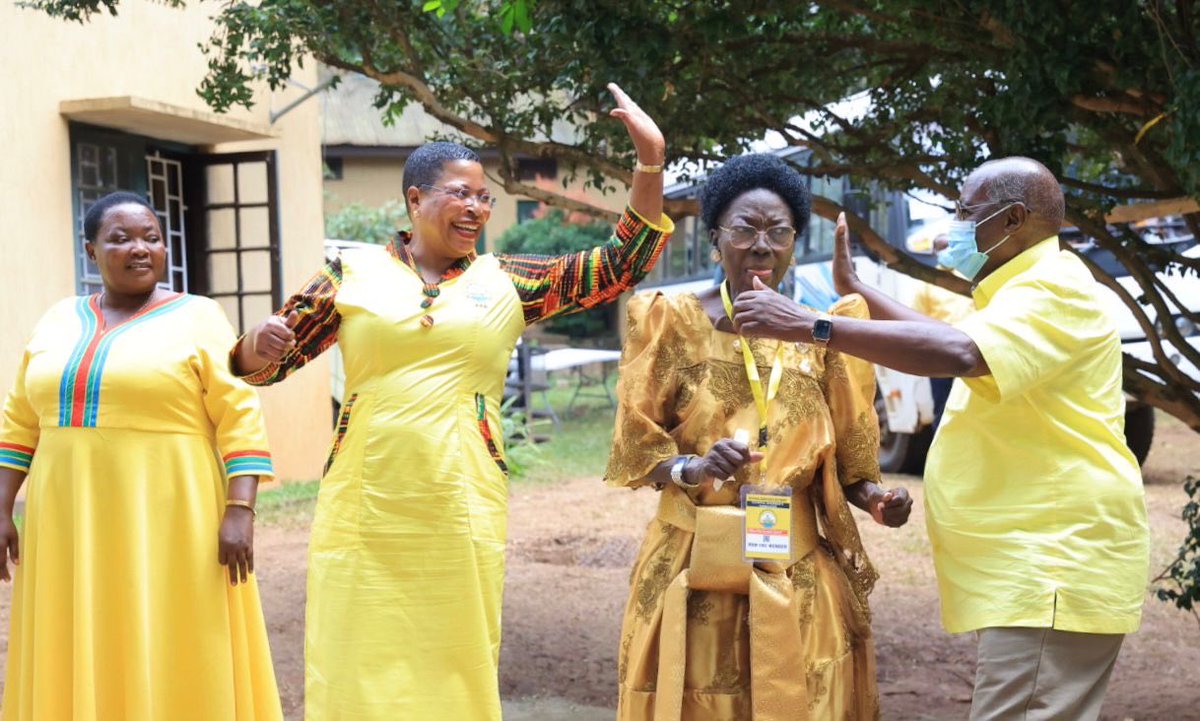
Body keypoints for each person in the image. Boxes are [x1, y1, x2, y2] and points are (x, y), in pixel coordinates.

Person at [231, 84, 673, 721]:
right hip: (365, 502)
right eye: (459, 193)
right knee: (354, 649)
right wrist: (252, 344)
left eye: (484, 197)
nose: (476, 207)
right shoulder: (348, 277)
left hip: (460, 496)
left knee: (455, 655)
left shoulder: (510, 282)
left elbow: (619, 265)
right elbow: (264, 365)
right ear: (415, 199)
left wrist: (650, 160)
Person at [731, 157, 1150, 721]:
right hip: (1033, 569)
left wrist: (811, 325)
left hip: (1053, 565)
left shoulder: (1054, 288)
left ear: (1013, 219)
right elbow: (950, 337)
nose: (953, 226)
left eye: (964, 212)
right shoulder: (1023, 288)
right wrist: (857, 291)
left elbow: (962, 354)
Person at [604, 153, 912, 720]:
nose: (761, 245)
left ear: (795, 242)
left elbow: (854, 462)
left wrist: (877, 500)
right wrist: (692, 470)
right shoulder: (669, 320)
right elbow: (635, 447)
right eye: (745, 229)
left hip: (793, 568)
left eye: (779, 231)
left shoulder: (823, 333)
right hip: (692, 565)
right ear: (717, 237)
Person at [0, 192, 282, 721]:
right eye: (121, 238)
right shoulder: (57, 320)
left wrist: (239, 510)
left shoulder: (199, 317)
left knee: (173, 631)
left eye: (151, 237)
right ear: (91, 250)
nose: (140, 248)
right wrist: (1, 508)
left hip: (173, 520)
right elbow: (19, 422)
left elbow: (239, 415)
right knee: (78, 629)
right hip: (68, 524)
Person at [909, 232, 974, 430]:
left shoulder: (968, 278)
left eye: (949, 246)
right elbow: (916, 320)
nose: (947, 251)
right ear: (935, 253)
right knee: (943, 407)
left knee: (972, 406)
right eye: (942, 247)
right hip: (940, 354)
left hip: (971, 351)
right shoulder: (927, 285)